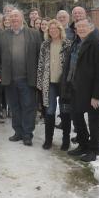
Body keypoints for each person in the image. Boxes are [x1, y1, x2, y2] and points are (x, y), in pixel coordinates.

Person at [0, 9, 42, 146]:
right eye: (12, 17)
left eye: (16, 16)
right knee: (14, 107)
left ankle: (27, 134)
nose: (14, 19)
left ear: (22, 18)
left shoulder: (34, 34)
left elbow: (40, 57)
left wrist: (40, 75)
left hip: (27, 79)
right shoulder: (3, 35)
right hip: (10, 79)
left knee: (28, 107)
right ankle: (18, 132)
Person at [67, 19, 99, 162]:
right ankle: (83, 145)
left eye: (84, 26)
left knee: (94, 119)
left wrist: (96, 96)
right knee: (76, 116)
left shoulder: (98, 44)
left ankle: (94, 150)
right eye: (78, 27)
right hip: (76, 87)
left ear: (91, 28)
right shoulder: (76, 43)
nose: (81, 29)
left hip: (92, 91)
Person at [37, 19, 72, 150]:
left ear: (60, 30)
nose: (53, 31)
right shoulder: (45, 45)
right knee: (50, 111)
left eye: (55, 29)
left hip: (63, 84)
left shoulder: (67, 44)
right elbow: (40, 64)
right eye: (50, 29)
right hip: (49, 83)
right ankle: (48, 140)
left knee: (64, 111)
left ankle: (66, 140)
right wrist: (39, 82)